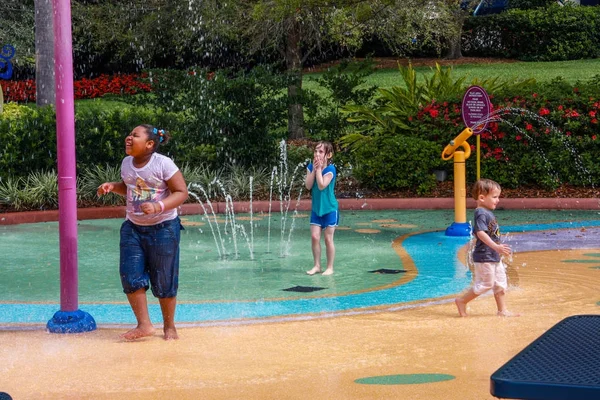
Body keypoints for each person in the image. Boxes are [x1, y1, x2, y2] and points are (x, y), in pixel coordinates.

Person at [97, 124, 188, 340]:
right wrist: (112, 186)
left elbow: (181, 192)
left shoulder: (163, 163)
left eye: (135, 135)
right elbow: (130, 187)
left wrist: (159, 206)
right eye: (129, 134)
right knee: (130, 274)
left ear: (149, 144)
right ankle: (144, 325)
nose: (129, 138)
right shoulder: (127, 163)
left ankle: (169, 326)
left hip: (164, 228)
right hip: (133, 228)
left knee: (164, 279)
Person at [455, 178, 519, 317]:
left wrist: (498, 250)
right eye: (495, 197)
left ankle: (502, 310)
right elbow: (480, 233)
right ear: (482, 198)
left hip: (493, 255)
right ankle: (462, 301)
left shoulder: (487, 212)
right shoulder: (481, 213)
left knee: (500, 283)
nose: (498, 200)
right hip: (484, 256)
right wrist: (497, 247)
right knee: (487, 284)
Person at [305, 141, 338, 276]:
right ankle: (317, 265)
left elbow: (322, 185)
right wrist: (314, 170)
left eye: (321, 152)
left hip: (330, 209)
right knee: (314, 237)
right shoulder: (311, 167)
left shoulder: (331, 170)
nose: (317, 154)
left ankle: (329, 267)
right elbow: (308, 185)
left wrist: (318, 170)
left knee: (327, 238)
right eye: (315, 151)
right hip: (317, 209)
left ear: (328, 155)